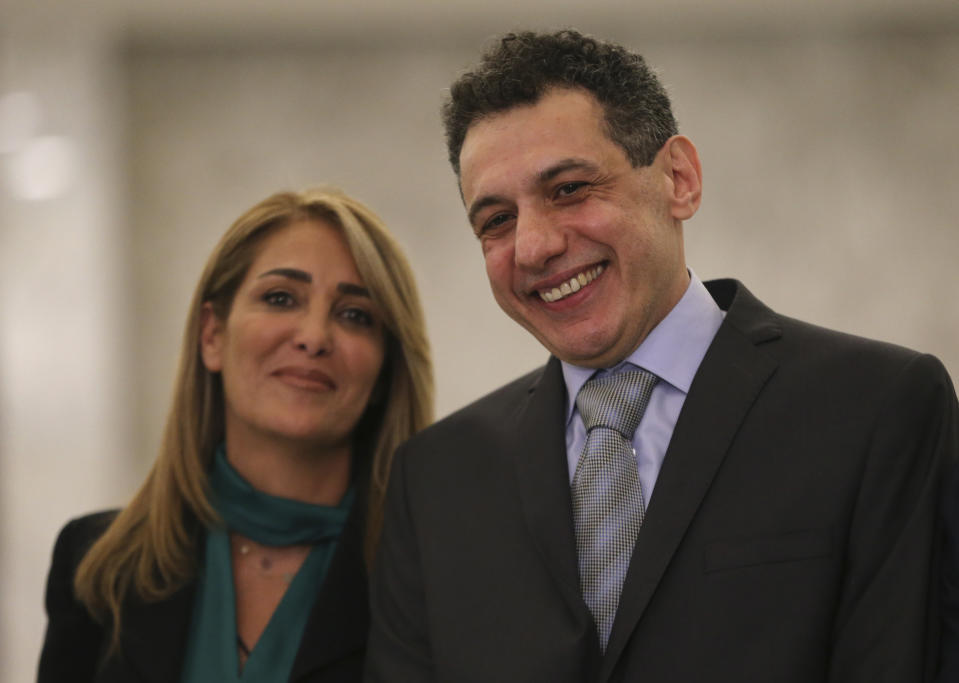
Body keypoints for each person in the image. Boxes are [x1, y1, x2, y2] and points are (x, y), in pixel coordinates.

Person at [366, 29, 959, 682]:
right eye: (496, 220)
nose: (532, 246)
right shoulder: (436, 479)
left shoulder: (877, 408)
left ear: (678, 178)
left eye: (567, 188)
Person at [37, 187, 433, 683]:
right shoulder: (97, 565)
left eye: (355, 315)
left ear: (383, 371)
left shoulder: (437, 581)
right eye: (280, 298)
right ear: (212, 336)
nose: (313, 336)